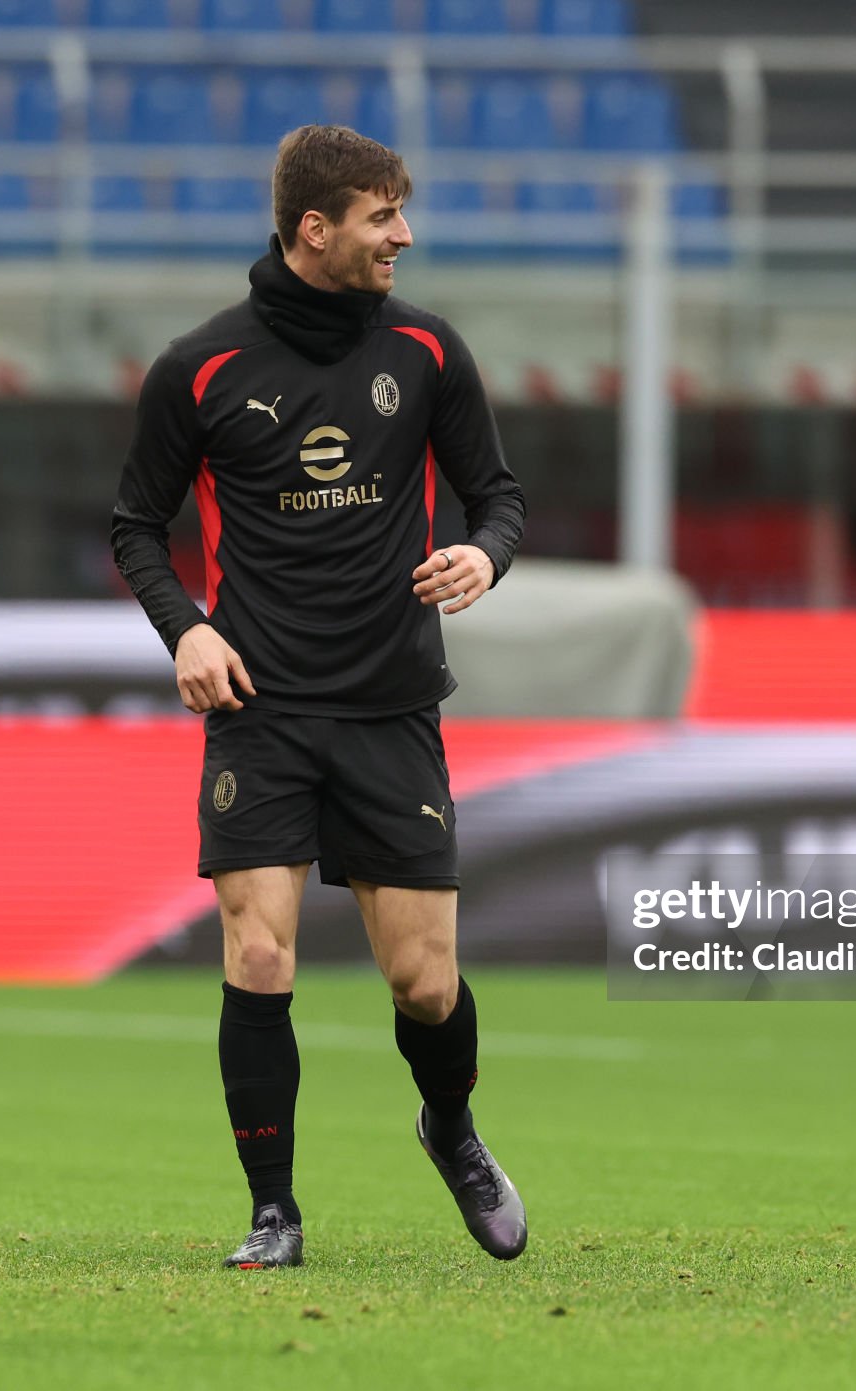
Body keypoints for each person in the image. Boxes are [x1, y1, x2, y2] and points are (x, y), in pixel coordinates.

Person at [111, 124, 527, 1270]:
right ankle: (273, 1212)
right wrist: (188, 628)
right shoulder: (199, 368)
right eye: (381, 216)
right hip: (261, 707)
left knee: (424, 983)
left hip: (390, 703)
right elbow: (135, 525)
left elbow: (497, 495)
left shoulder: (426, 350)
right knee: (258, 957)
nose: (404, 235)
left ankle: (450, 1126)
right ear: (314, 228)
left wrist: (484, 554)